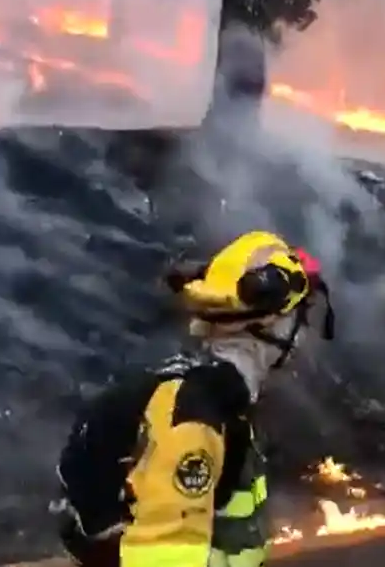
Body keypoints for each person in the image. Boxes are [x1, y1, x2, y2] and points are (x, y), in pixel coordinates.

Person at [52, 230, 335, 567]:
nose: (302, 335)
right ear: (271, 325)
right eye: (299, 318)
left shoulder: (218, 398)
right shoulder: (194, 417)